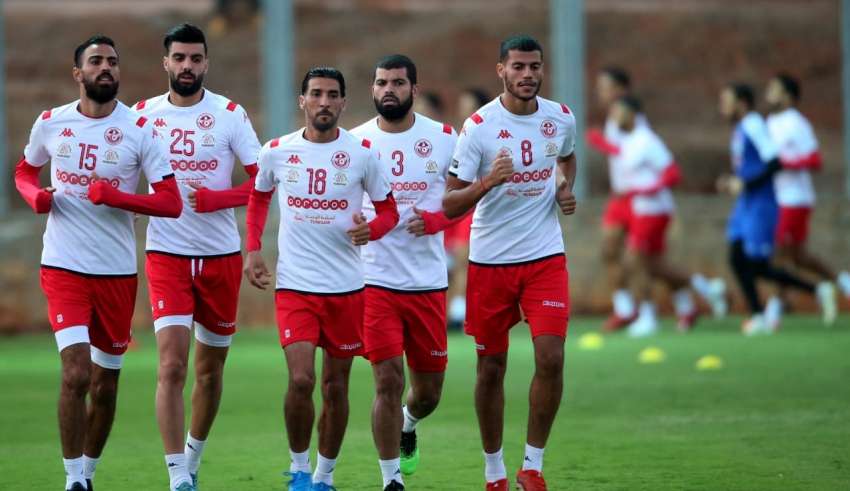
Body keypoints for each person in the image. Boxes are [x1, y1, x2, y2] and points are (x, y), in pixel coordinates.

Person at [14, 35, 181, 491]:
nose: (105, 67)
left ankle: (88, 473)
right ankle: (72, 480)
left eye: (112, 61)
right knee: (76, 372)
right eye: (95, 61)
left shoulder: (140, 129)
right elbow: (25, 171)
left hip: (116, 273)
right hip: (63, 266)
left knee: (105, 386)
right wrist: (35, 196)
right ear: (78, 74)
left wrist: (118, 197)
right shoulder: (51, 123)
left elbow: (170, 203)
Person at [243, 66, 399, 491]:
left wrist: (372, 230)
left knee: (335, 386)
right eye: (316, 94)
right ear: (302, 101)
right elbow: (258, 197)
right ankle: (298, 469)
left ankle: (324, 476)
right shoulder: (277, 151)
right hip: (296, 286)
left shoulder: (362, 154)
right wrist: (253, 249)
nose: (324, 102)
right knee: (301, 379)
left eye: (332, 95)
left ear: (343, 102)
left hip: (347, 289)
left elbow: (389, 212)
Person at [443, 35, 577, 491]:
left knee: (551, 357)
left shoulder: (560, 117)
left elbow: (568, 158)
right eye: (518, 66)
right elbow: (449, 203)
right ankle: (494, 471)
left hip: (545, 257)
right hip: (490, 262)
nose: (527, 74)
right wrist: (488, 182)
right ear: (500, 70)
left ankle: (532, 467)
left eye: (534, 66)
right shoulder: (479, 127)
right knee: (491, 367)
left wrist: (563, 186)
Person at [133, 24, 262, 491]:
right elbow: (121, 176)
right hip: (166, 253)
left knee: (209, 372)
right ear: (165, 63)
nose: (187, 66)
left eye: (195, 58)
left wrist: (218, 199)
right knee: (171, 365)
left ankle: (192, 457)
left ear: (206, 63)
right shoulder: (141, 116)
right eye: (179, 58)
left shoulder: (229, 114)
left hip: (220, 257)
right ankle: (176, 475)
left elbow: (263, 182)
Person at [350, 54, 460, 491]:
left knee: (428, 392)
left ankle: (409, 424)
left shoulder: (445, 138)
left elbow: (464, 200)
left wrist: (437, 221)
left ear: (414, 89)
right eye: (381, 83)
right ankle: (390, 479)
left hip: (427, 281)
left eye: (397, 83)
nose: (388, 90)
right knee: (388, 379)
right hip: (373, 279)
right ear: (373, 89)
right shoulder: (354, 142)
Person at [608, 96, 726, 337]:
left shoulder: (647, 140)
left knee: (633, 262)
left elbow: (673, 173)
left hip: (654, 210)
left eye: (619, 112)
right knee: (654, 265)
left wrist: (650, 189)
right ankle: (706, 288)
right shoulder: (629, 141)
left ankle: (648, 317)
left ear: (632, 114)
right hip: (641, 209)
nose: (614, 117)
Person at [717, 83, 823, 334]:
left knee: (758, 265)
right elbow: (749, 165)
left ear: (742, 103)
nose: (723, 107)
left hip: (762, 203)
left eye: (727, 101)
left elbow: (774, 162)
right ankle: (757, 314)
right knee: (736, 258)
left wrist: (745, 183)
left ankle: (815, 290)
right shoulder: (741, 128)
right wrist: (732, 180)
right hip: (746, 203)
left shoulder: (754, 124)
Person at [765, 73, 849, 323]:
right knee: (798, 257)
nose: (769, 93)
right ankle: (842, 282)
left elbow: (814, 159)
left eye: (775, 89)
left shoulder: (797, 123)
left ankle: (775, 308)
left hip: (794, 198)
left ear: (788, 96)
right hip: (775, 197)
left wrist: (784, 164)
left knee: (779, 254)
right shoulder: (769, 122)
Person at [585, 66, 644, 331]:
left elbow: (634, 152)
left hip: (638, 197)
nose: (601, 93)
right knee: (609, 251)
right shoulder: (613, 118)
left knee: (643, 260)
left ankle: (652, 309)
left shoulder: (633, 119)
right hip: (618, 197)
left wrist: (601, 143)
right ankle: (625, 309)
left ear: (621, 89)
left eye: (606, 87)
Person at [443, 88, 491, 329]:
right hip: (457, 204)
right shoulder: (457, 137)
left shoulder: (491, 136)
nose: (465, 112)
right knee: (452, 262)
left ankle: (459, 311)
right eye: (462, 107)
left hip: (479, 206)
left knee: (464, 258)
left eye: (470, 107)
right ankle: (453, 309)